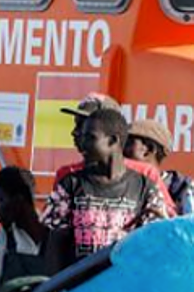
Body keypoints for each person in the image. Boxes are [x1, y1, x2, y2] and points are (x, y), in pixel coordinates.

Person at [42, 108, 167, 264]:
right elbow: (53, 243)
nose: (82, 143)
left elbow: (154, 245)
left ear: (113, 141)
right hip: (79, 279)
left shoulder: (145, 188)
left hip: (124, 277)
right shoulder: (70, 184)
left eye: (90, 137)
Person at [56, 94, 176, 216]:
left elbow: (167, 220)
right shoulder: (67, 176)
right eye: (77, 125)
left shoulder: (145, 174)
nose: (75, 132)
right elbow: (54, 224)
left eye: (83, 125)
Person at [126, 118, 194, 216]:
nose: (118, 151)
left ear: (148, 150)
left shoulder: (182, 187)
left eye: (126, 144)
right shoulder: (116, 183)